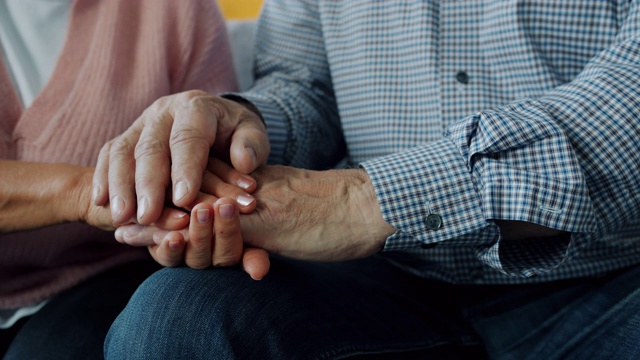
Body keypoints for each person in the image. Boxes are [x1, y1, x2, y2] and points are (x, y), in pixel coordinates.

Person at [102, 0, 640, 359]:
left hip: (613, 273)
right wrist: (240, 135)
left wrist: (362, 203)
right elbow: (305, 84)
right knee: (173, 321)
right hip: (391, 274)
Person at [0, 1, 261, 358]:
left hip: (107, 276)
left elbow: (208, 155)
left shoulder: (177, 10)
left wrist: (203, 210)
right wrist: (85, 193)